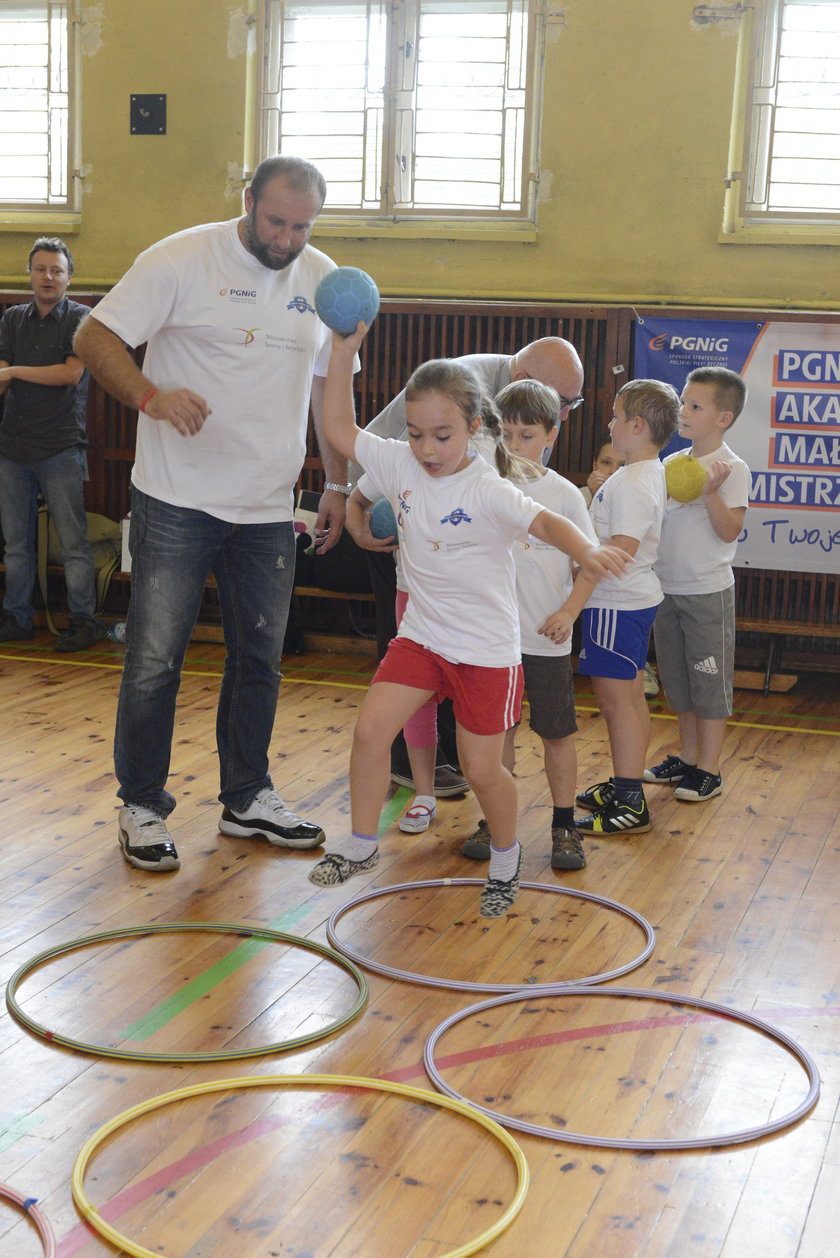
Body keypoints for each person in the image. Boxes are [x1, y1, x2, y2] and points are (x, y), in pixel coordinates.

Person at [73, 155, 352, 873]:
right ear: (249, 200)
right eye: (276, 221)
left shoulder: (323, 280)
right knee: (154, 659)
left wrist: (338, 484)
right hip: (175, 500)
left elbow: (329, 395)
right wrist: (149, 397)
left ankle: (248, 797)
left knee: (259, 658)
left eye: (301, 226)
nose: (287, 239)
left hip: (267, 509)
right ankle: (140, 803)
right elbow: (93, 338)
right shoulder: (181, 258)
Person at [308, 325, 629, 917]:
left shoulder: (488, 485)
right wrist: (344, 352)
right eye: (416, 434)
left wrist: (586, 551)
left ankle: (506, 859)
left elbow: (547, 525)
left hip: (485, 650)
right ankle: (359, 846)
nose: (428, 449)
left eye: (443, 436)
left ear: (474, 429)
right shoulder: (401, 463)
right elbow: (337, 430)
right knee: (370, 732)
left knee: (484, 768)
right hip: (423, 638)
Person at [358, 336, 586, 792]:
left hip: (512, 624)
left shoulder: (536, 476)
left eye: (570, 405)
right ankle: (418, 769)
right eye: (562, 401)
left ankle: (494, 787)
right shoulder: (459, 390)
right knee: (417, 677)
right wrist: (350, 504)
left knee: (524, 722)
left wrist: (588, 560)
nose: (564, 412)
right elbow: (375, 448)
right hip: (416, 557)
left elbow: (542, 520)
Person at [458, 379, 598, 872]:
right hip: (494, 644)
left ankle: (564, 825)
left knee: (556, 734)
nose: (515, 446)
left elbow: (590, 567)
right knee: (499, 735)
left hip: (546, 643)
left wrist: (568, 613)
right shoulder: (485, 486)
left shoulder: (564, 497)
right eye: (507, 435)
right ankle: (499, 824)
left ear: (551, 436)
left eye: (527, 435)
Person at [571, 379, 679, 836]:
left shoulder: (634, 482)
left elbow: (621, 548)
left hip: (615, 605)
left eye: (616, 417)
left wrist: (572, 596)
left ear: (636, 425)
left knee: (618, 703)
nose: (610, 424)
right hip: (627, 604)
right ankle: (625, 784)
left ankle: (631, 801)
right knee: (630, 699)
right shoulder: (639, 473)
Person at [645, 367, 750, 802]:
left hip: (707, 594)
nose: (683, 411)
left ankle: (710, 768)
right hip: (665, 591)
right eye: (682, 402)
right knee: (679, 682)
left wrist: (710, 494)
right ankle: (687, 758)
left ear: (723, 418)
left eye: (694, 405)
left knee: (709, 684)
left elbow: (730, 532)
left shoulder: (733, 469)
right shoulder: (671, 464)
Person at [0, 237, 103, 652]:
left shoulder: (82, 318)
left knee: (74, 543)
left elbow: (69, 374)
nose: (48, 277)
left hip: (61, 446)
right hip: (13, 446)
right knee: (16, 543)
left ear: (69, 277)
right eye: (41, 269)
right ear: (29, 274)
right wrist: (8, 373)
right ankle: (18, 617)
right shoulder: (11, 319)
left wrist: (14, 373)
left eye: (56, 270)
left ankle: (83, 622)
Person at [580, 433, 625, 507]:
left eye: (623, 465)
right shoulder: (579, 496)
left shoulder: (641, 499)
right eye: (606, 462)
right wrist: (596, 496)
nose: (613, 471)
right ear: (595, 465)